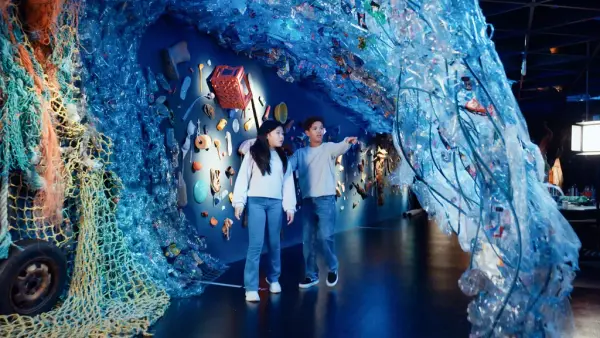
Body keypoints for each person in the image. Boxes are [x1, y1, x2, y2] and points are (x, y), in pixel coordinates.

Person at [289, 116, 358, 289]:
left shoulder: (328, 148)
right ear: (307, 133)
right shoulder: (300, 154)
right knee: (308, 239)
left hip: (326, 200)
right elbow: (286, 167)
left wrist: (348, 141)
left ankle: (333, 268)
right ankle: (311, 275)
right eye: (315, 128)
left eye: (321, 128)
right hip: (307, 201)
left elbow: (341, 146)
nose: (319, 131)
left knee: (325, 237)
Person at [232, 120, 297, 302]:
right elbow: (243, 178)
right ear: (267, 134)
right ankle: (251, 287)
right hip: (256, 202)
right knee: (256, 244)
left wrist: (289, 206)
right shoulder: (253, 153)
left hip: (276, 203)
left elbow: (288, 184)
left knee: (275, 243)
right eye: (278, 132)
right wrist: (239, 202)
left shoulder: (283, 157)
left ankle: (274, 279)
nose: (281, 136)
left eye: (283, 133)